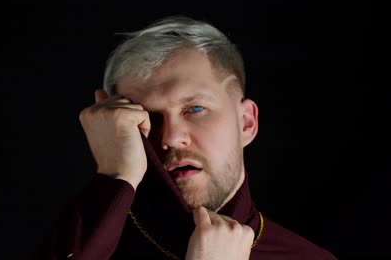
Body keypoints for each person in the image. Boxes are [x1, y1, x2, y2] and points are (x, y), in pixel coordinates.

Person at [37, 16, 337, 259]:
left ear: (246, 123)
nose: (171, 138)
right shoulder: (76, 243)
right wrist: (115, 175)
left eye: (196, 108)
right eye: (147, 117)